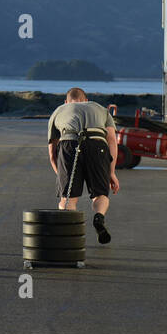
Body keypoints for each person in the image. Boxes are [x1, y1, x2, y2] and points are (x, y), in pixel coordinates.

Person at [47, 87, 119, 244]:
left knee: (68, 198)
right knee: (101, 194)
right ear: (86, 100)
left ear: (66, 102)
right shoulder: (99, 108)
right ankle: (99, 217)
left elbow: (52, 149)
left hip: (69, 144)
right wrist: (111, 172)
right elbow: (112, 139)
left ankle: (68, 234)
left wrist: (60, 174)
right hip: (97, 143)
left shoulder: (59, 110)